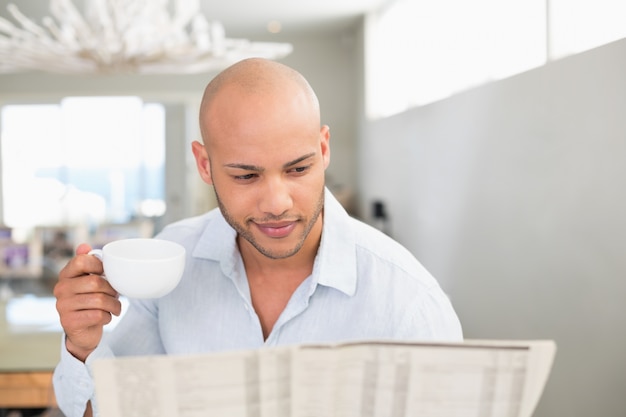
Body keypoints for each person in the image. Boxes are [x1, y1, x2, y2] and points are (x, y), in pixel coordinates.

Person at [53, 58, 462, 417]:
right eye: (246, 175)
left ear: (323, 149)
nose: (276, 202)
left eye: (298, 169)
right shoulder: (170, 264)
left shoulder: (409, 302)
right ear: (204, 164)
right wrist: (83, 344)